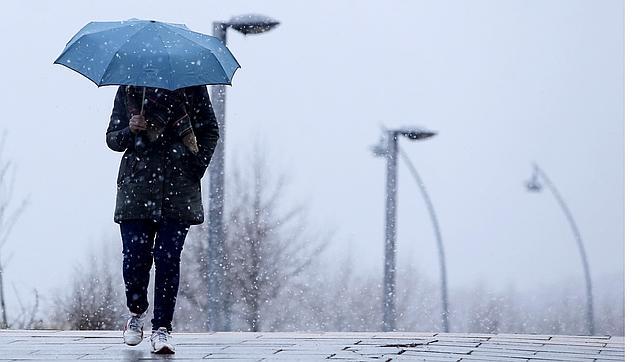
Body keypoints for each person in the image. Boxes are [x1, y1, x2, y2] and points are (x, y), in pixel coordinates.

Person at [106, 85, 218, 354]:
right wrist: (130, 130)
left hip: (178, 191)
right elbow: (112, 139)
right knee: (134, 257)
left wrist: (195, 165)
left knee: (168, 258)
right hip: (136, 190)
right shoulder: (131, 89)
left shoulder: (192, 89)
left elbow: (210, 131)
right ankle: (136, 313)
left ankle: (162, 328)